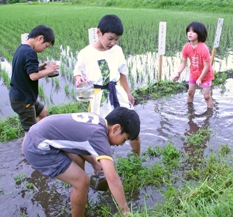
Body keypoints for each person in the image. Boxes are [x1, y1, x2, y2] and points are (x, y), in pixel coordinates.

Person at [23, 107, 140, 216]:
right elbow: (113, 179)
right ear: (116, 128)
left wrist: (94, 163)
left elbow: (79, 142)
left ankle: (81, 200)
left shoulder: (98, 121)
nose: (121, 144)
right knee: (82, 181)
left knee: (79, 162)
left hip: (38, 134)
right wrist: (125, 211)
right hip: (37, 147)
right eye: (124, 139)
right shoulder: (99, 138)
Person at [73, 14, 141, 156]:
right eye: (110, 38)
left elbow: (123, 73)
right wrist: (78, 78)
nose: (113, 43)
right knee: (100, 134)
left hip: (117, 93)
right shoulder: (86, 53)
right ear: (99, 32)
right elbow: (78, 72)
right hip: (98, 97)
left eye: (116, 39)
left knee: (131, 128)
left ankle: (137, 158)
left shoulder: (117, 51)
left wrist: (128, 92)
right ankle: (104, 167)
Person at [9, 24, 59, 152]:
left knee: (44, 113)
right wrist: (49, 70)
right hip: (23, 100)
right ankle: (27, 154)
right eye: (45, 45)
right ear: (40, 38)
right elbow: (33, 76)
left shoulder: (22, 49)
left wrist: (42, 67)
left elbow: (28, 70)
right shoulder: (30, 53)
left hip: (23, 96)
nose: (44, 49)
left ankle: (38, 133)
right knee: (30, 132)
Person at [172, 21, 214, 109]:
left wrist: (200, 78)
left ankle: (210, 113)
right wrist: (178, 73)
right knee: (190, 93)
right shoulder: (186, 47)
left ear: (199, 33)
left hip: (205, 76)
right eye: (188, 31)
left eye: (193, 31)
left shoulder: (203, 48)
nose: (190, 33)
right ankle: (190, 112)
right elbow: (183, 63)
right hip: (194, 74)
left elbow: (207, 66)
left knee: (206, 96)